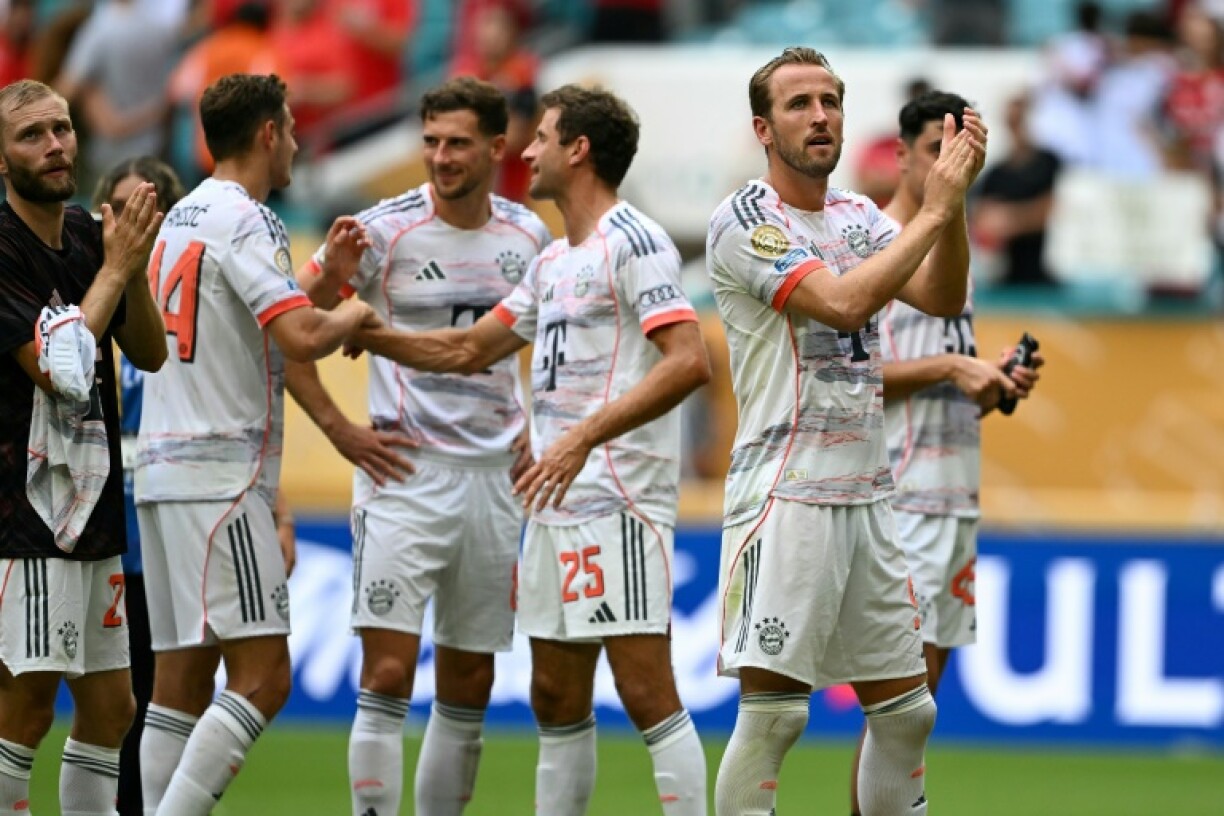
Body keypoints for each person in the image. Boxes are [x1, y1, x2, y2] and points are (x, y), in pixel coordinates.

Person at [343, 83, 713, 815]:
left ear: (578, 150)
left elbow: (688, 360)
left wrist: (580, 436)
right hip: (551, 501)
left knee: (645, 691)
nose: (530, 150)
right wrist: (369, 333)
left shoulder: (634, 242)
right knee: (553, 694)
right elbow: (468, 347)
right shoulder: (551, 263)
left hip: (618, 500)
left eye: (542, 137)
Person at [705, 47, 986, 816]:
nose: (820, 115)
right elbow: (842, 306)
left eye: (830, 100)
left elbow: (943, 292)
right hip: (786, 492)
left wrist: (949, 201)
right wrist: (932, 209)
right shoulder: (746, 219)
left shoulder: (861, 216)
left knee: (909, 712)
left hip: (867, 494)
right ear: (764, 127)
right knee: (775, 717)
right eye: (799, 104)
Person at [291, 75, 549, 816]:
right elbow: (287, 326)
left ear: (497, 148)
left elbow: (522, 350)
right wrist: (340, 429)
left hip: (496, 478)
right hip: (404, 471)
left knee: (469, 680)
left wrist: (535, 427)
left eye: (458, 143)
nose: (441, 157)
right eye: (431, 141)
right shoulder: (380, 230)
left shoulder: (527, 234)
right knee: (389, 672)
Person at [133, 73, 380, 816]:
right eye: (293, 127)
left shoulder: (182, 215)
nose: (299, 142)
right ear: (268, 133)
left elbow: (237, 317)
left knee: (179, 681)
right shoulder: (249, 219)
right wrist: (354, 311)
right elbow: (299, 335)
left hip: (162, 470)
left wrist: (318, 278)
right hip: (222, 476)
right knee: (264, 676)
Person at [849, 90, 1045, 816]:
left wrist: (991, 380)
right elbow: (850, 380)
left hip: (954, 491)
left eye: (963, 152)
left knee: (915, 709)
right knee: (900, 714)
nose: (949, 165)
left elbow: (949, 367)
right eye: (937, 149)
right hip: (898, 495)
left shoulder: (952, 249)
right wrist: (946, 370)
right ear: (901, 155)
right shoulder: (875, 247)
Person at [0, 78, 165, 815]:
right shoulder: (3, 249)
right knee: (27, 706)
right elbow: (63, 372)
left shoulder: (88, 236)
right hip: (24, 511)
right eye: (32, 135)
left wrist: (134, 264)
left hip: (92, 506)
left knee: (111, 708)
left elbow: (151, 354)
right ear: (1, 161)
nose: (56, 144)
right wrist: (113, 268)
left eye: (62, 128)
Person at [90, 155, 189, 816]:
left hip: (168, 534)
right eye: (121, 207)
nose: (134, 220)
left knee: (163, 698)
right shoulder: (82, 291)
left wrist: (284, 512)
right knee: (105, 705)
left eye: (148, 208)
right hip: (99, 533)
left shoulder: (189, 300)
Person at [970, 91, 1062, 287]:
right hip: (1005, 276)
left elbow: (1051, 209)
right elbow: (980, 217)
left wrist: (1008, 220)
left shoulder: (1048, 162)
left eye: (1020, 119)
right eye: (1012, 121)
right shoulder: (997, 172)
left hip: (1043, 273)